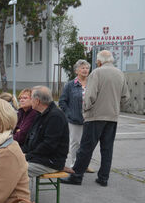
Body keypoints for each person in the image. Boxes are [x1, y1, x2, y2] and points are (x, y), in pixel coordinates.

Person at [61, 50, 130, 187]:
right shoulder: (120, 73)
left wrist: (85, 111)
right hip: (112, 117)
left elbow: (90, 96)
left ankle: (77, 176)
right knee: (107, 148)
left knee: (86, 147)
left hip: (95, 117)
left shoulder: (96, 73)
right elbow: (125, 98)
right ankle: (103, 178)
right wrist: (115, 108)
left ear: (99, 61)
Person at [21, 86, 69, 179]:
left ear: (37, 101)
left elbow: (48, 146)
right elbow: (31, 138)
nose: (30, 100)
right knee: (7, 162)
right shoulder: (40, 113)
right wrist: (20, 153)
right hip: (38, 158)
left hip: (50, 162)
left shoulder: (55, 116)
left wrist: (27, 156)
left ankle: (13, 193)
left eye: (31, 98)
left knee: (13, 168)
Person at [59, 59, 93, 173]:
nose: (85, 70)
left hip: (90, 119)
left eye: (87, 68)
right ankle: (74, 165)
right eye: (82, 68)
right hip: (75, 119)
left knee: (88, 143)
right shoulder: (70, 85)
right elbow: (62, 102)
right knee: (75, 143)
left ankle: (85, 165)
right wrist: (70, 114)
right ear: (76, 71)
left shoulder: (92, 83)